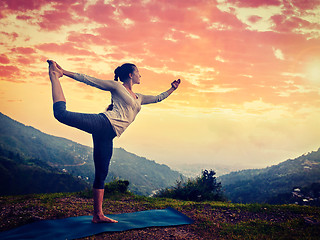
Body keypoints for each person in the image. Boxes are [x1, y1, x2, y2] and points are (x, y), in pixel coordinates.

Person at [47, 60, 180, 223]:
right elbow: (90, 80)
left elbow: (159, 98)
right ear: (130, 75)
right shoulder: (117, 87)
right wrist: (64, 72)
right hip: (103, 123)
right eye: (138, 72)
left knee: (101, 173)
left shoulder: (140, 98)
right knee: (61, 114)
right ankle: (54, 75)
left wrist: (172, 88)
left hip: (108, 135)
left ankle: (98, 215)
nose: (140, 75)